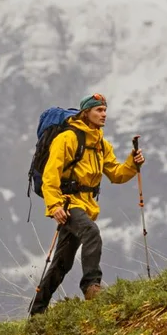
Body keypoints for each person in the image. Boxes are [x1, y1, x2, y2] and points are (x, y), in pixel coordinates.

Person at [29, 93, 145, 315]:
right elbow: (50, 176)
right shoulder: (67, 139)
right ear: (86, 113)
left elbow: (117, 174)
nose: (104, 115)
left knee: (62, 263)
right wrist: (55, 207)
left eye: (105, 110)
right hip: (68, 203)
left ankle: (37, 313)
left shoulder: (101, 144)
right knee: (91, 233)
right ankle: (92, 286)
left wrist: (132, 163)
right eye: (98, 110)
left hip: (86, 205)